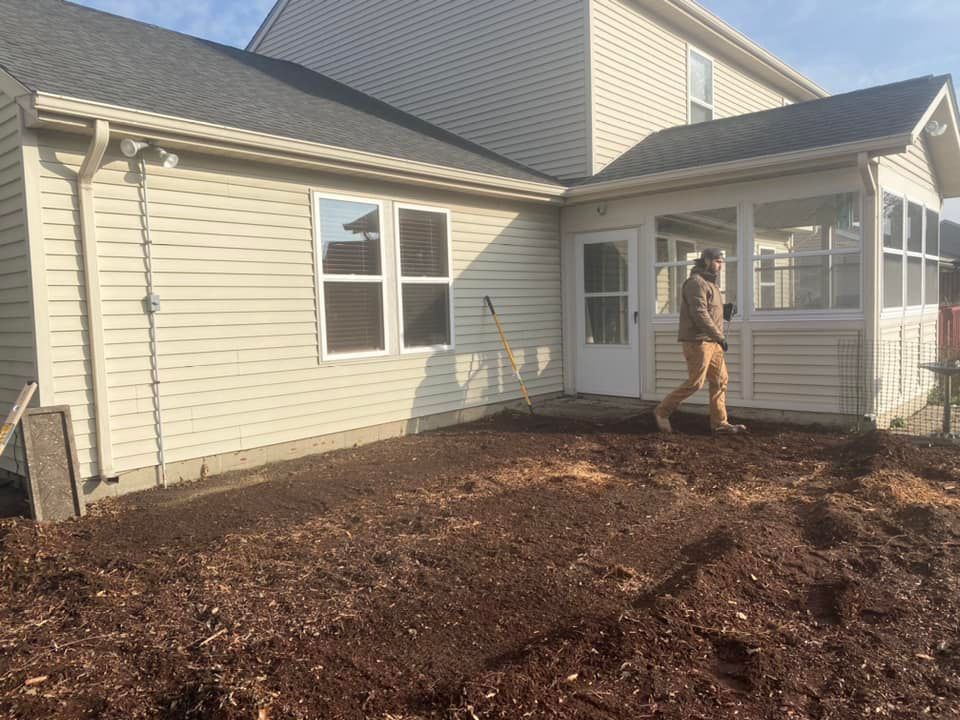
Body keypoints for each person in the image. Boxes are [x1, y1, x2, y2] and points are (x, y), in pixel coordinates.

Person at [654, 248, 746, 434]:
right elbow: (699, 314)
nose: (721, 265)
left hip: (713, 342)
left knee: (720, 380)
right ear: (706, 260)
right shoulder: (695, 283)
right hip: (698, 342)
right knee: (696, 382)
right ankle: (661, 412)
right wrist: (719, 336)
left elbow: (709, 309)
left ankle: (720, 424)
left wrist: (724, 309)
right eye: (718, 261)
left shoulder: (711, 284)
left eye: (722, 261)